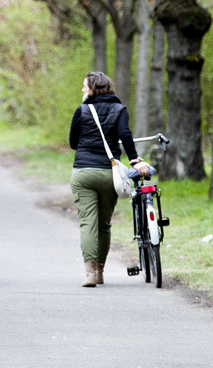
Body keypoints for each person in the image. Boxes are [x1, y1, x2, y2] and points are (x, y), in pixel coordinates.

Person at [69, 70, 150, 287]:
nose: (82, 90)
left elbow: (73, 142)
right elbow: (125, 135)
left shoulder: (82, 110)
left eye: (85, 87)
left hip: (83, 173)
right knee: (104, 225)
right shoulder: (119, 109)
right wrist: (134, 160)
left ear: (93, 90)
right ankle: (100, 272)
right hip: (108, 173)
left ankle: (89, 274)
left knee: (88, 224)